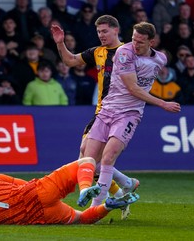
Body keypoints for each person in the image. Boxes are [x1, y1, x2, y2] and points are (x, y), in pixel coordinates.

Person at [80, 22, 181, 208]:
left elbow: (145, 79)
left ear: (151, 41)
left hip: (129, 114)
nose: (135, 44)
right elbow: (133, 88)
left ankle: (94, 209)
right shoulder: (124, 53)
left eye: (140, 42)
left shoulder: (160, 59)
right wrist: (162, 103)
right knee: (90, 162)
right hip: (107, 110)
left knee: (109, 157)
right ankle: (126, 185)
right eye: (134, 39)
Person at [51, 15, 138, 219]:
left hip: (121, 113)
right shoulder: (97, 52)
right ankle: (125, 185)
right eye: (98, 32)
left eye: (105, 31)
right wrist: (60, 43)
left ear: (116, 30)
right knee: (88, 158)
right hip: (101, 112)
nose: (101, 35)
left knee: (90, 159)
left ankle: (108, 198)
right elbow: (70, 60)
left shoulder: (129, 51)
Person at [0, 157, 139, 225]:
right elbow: (21, 182)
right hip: (37, 192)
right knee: (87, 161)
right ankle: (85, 188)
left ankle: (107, 206)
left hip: (40, 215)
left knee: (82, 218)